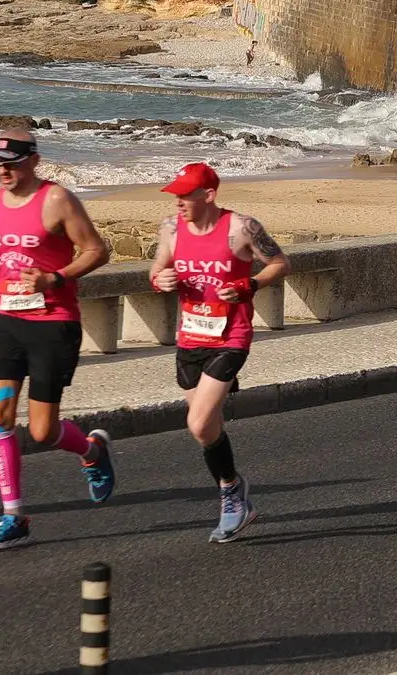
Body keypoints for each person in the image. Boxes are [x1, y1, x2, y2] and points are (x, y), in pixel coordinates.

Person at [0, 131, 114, 551]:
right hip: (7, 320)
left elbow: (97, 250)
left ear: (34, 161)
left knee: (42, 432)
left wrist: (55, 278)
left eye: (12, 163)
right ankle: (13, 516)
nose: (3, 170)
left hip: (53, 322)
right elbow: (2, 258)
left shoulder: (56, 200)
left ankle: (92, 450)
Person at [148, 163, 291, 543]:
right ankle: (234, 487)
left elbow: (280, 262)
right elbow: (158, 270)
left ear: (208, 195)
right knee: (206, 430)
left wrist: (250, 284)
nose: (178, 202)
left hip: (231, 336)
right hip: (190, 339)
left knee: (197, 423)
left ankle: (229, 498)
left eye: (185, 195)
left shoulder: (242, 228)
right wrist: (160, 279)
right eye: (175, 195)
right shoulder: (171, 228)